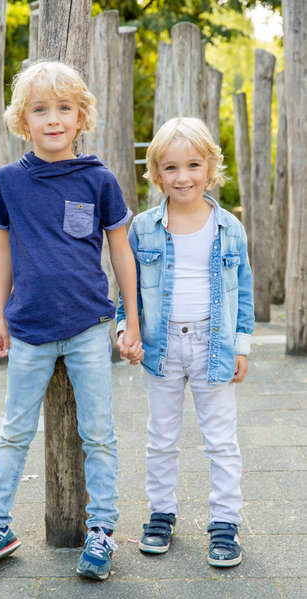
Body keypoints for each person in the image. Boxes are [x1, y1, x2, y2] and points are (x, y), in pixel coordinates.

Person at [0, 60, 143, 580]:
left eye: (64, 108)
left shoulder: (99, 179)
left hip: (89, 326)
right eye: (41, 110)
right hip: (28, 330)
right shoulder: (8, 182)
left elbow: (121, 251)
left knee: (99, 433)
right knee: (14, 431)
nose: (53, 119)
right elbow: (1, 251)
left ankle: (102, 530)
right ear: (24, 121)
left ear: (81, 116)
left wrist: (131, 319)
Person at [116, 117, 254, 567]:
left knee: (220, 438)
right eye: (171, 168)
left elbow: (245, 290)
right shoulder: (144, 228)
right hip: (161, 344)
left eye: (193, 165)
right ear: (157, 174)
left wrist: (242, 345)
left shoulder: (229, 227)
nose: (183, 177)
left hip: (213, 344)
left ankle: (225, 521)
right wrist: (126, 329)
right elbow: (129, 288)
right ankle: (161, 514)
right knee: (161, 437)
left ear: (211, 167)